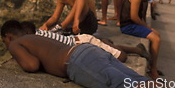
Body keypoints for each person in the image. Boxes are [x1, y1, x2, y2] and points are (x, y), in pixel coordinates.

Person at [1, 20, 174, 88]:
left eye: (6, 43)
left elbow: (31, 65)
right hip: (90, 50)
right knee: (138, 80)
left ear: (8, 37)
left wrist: (16, 55)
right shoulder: (36, 36)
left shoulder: (16, 43)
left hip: (78, 61)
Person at [21, 21, 150, 63]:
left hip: (84, 42)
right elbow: (57, 30)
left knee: (121, 57)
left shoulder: (37, 38)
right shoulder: (40, 33)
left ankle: (138, 50)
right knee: (107, 47)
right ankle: (106, 43)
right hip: (81, 41)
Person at [120, 0, 162, 79]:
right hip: (128, 26)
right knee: (156, 39)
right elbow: (134, 17)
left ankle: (152, 65)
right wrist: (149, 28)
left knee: (157, 35)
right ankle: (153, 70)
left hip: (131, 25)